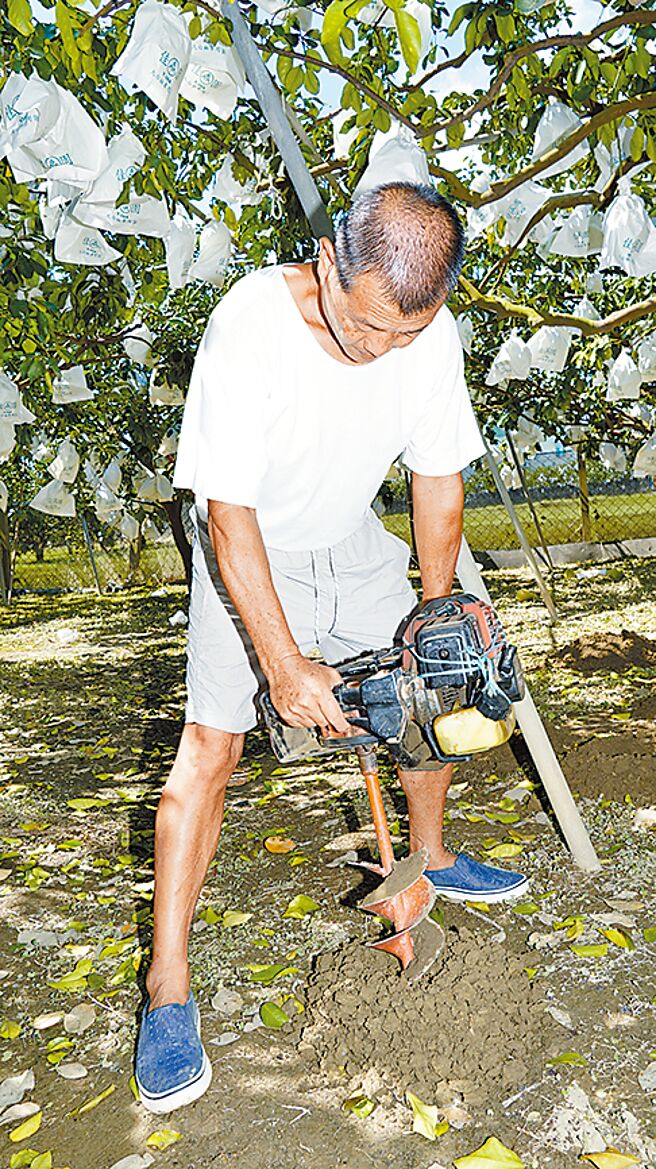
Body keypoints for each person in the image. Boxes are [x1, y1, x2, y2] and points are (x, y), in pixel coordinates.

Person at [135, 182, 529, 1113]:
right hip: (252, 543)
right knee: (212, 750)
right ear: (328, 265)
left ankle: (428, 857)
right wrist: (284, 665)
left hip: (350, 536)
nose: (387, 351)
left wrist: (436, 616)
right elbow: (227, 518)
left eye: (407, 334)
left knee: (433, 698)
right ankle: (168, 989)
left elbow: (438, 478)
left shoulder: (426, 335)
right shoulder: (248, 330)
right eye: (369, 331)